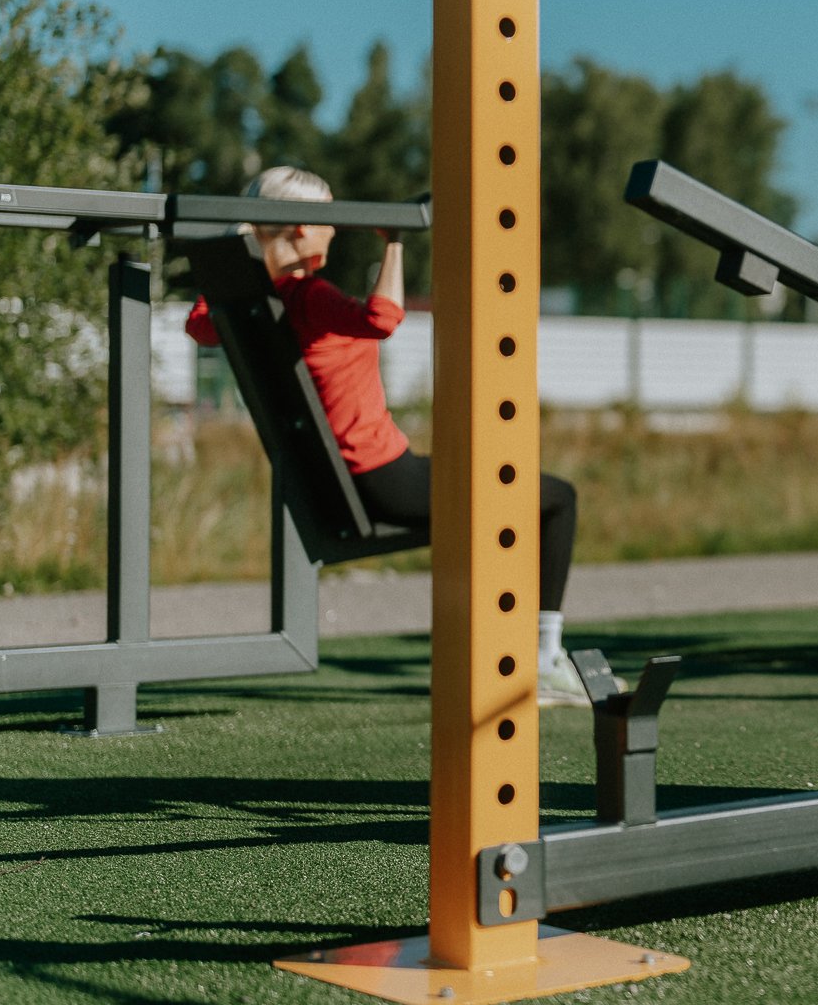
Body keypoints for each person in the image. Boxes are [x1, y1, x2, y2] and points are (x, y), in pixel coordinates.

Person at [183, 167, 590, 707]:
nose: (336, 230)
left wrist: (245, 253)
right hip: (383, 479)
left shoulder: (258, 302)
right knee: (556, 499)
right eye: (331, 219)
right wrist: (394, 241)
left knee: (501, 486)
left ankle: (521, 655)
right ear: (304, 227)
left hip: (354, 480)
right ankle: (541, 662)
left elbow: (198, 323)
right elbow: (383, 317)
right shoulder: (309, 297)